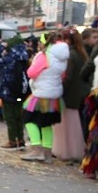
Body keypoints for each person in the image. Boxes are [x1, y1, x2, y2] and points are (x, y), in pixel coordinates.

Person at [21, 31, 69, 162]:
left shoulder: (44, 56)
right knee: (46, 124)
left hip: (41, 93)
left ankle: (36, 150)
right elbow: (63, 75)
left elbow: (31, 72)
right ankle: (47, 153)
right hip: (55, 95)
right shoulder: (62, 57)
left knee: (28, 120)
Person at [53, 27, 89, 159]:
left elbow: (67, 77)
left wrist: (59, 89)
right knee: (73, 124)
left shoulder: (70, 55)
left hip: (68, 93)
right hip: (76, 93)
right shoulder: (80, 53)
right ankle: (70, 150)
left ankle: (63, 150)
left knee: (65, 124)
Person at [0, 35, 30, 148]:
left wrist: (0, 48)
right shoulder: (25, 57)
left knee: (10, 117)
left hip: (8, 91)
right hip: (21, 92)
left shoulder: (10, 58)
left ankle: (12, 140)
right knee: (19, 116)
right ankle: (20, 139)